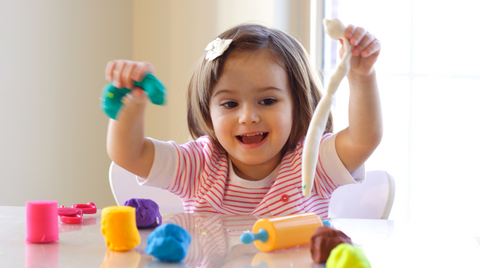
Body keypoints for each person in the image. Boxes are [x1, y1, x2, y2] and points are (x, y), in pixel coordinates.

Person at [105, 23, 382, 218]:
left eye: (268, 101)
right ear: (208, 113)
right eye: (230, 104)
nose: (248, 117)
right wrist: (132, 106)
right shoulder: (198, 165)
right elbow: (129, 154)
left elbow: (363, 139)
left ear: (298, 105)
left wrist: (360, 77)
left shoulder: (313, 162)